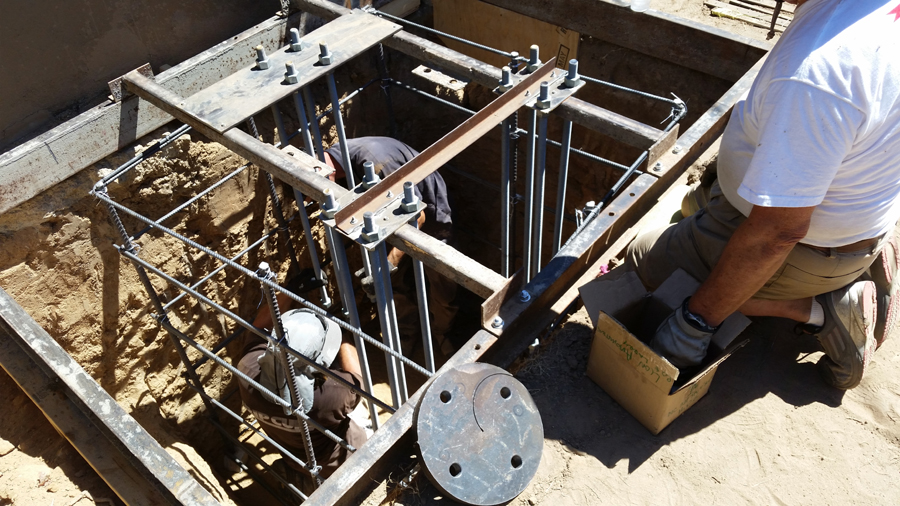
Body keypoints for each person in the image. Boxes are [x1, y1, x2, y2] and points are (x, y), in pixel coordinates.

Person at [626, 0, 900, 390]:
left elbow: (776, 235)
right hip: (858, 214)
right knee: (696, 203)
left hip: (803, 246)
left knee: (641, 259)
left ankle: (826, 309)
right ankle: (866, 253)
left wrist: (693, 324)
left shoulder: (818, 74)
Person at [324, 136, 459, 356]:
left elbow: (417, 217)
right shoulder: (336, 163)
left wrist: (387, 265)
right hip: (391, 223)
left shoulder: (377, 163)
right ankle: (406, 332)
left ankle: (442, 333)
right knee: (396, 284)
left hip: (432, 220)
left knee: (443, 285)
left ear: (325, 174)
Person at [237, 297, 367, 494]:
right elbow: (358, 380)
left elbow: (258, 327)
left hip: (295, 458)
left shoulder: (247, 368)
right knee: (362, 411)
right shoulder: (330, 396)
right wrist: (343, 333)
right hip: (344, 463)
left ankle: (299, 479)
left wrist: (286, 293)